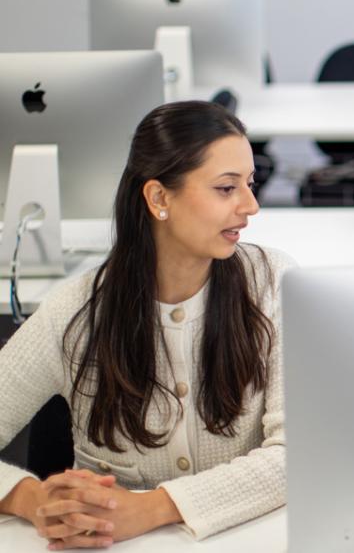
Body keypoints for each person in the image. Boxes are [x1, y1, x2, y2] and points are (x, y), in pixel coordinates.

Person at [0, 101, 293, 548]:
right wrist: (31, 498)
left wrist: (153, 507)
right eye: (226, 188)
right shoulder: (77, 312)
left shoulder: (272, 285)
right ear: (159, 198)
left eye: (249, 185)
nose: (250, 206)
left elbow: (296, 453)